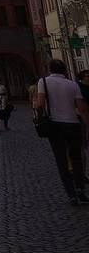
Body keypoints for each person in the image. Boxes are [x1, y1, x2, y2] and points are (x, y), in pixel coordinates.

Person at [35, 59, 89, 205]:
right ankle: (80, 190)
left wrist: (37, 115)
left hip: (55, 126)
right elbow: (82, 108)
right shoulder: (73, 84)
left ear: (50, 69)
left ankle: (71, 195)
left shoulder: (43, 82)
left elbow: (40, 104)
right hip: (73, 124)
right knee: (76, 158)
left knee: (62, 161)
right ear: (64, 70)